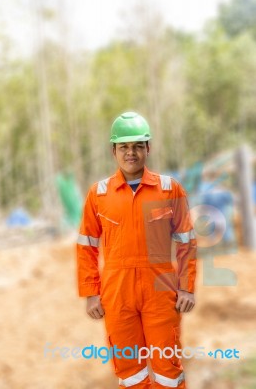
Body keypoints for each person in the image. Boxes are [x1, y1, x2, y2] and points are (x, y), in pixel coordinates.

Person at [77, 111, 197, 388]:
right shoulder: (99, 194)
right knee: (129, 369)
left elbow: (186, 242)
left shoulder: (169, 189)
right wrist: (91, 293)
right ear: (114, 151)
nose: (131, 153)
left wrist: (187, 287)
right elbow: (86, 247)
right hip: (117, 292)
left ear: (148, 148)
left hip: (160, 289)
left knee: (167, 365)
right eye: (124, 147)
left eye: (137, 146)